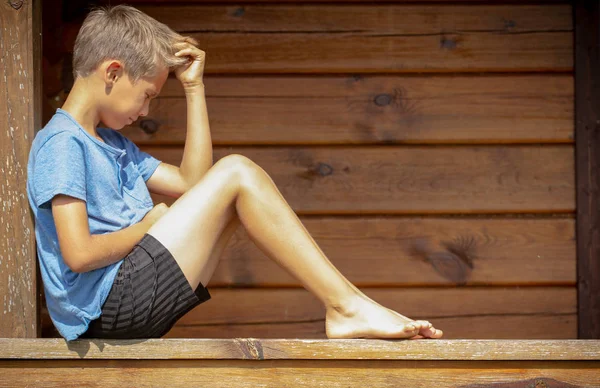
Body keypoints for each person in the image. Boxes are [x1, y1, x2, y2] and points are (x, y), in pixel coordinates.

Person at [27, 5, 443, 342]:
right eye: (148, 95)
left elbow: (193, 184)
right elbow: (78, 255)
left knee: (233, 184)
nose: (146, 111)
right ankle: (346, 306)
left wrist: (194, 88)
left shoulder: (114, 146)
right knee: (238, 172)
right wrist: (149, 225)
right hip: (107, 307)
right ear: (113, 72)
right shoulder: (62, 143)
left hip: (132, 297)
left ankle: (346, 304)